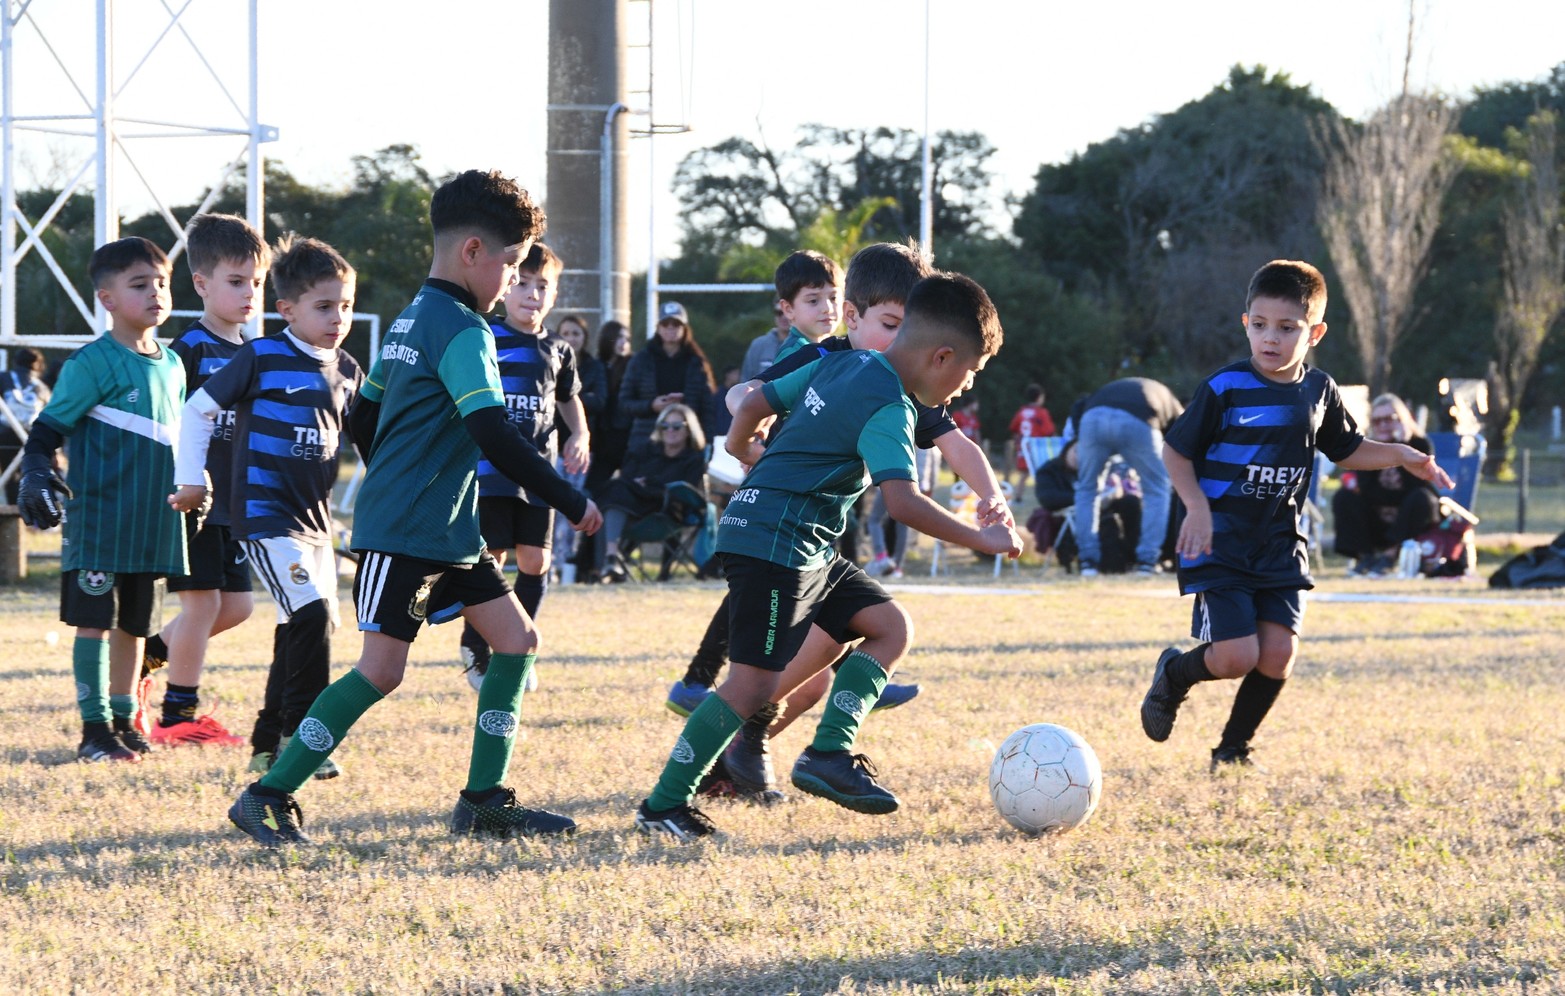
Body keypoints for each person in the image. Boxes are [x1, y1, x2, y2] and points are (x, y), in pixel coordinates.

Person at [225, 169, 602, 847]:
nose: (508, 280)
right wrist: (568, 498)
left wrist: (404, 471)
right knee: (381, 670)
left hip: (446, 529)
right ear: (472, 254)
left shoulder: (409, 317)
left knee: (516, 642)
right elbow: (493, 431)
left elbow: (363, 416)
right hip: (408, 531)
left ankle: (484, 800)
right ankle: (268, 793)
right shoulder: (462, 328)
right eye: (509, 265)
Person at [635, 272, 1021, 840]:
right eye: (971, 373)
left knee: (886, 626)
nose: (965, 387)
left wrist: (744, 451)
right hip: (774, 542)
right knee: (752, 686)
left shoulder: (840, 362)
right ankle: (662, 805)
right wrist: (981, 538)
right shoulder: (892, 407)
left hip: (797, 540)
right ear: (943, 357)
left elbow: (754, 403)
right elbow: (904, 503)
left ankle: (828, 756)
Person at [1142, 260, 1452, 771]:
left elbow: (1347, 448)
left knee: (1278, 655)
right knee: (1236, 658)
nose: (1271, 338)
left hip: (1281, 542)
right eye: (1260, 325)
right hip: (1220, 541)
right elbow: (1175, 452)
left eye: (1287, 328)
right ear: (1246, 323)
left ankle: (1232, 751)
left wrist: (1403, 454)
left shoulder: (1318, 391)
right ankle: (1175, 675)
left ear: (1315, 333)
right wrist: (1196, 508)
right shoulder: (1224, 388)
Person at [171, 234, 362, 779]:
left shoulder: (347, 370)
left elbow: (375, 442)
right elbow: (197, 411)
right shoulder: (261, 356)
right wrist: (191, 480)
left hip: (316, 527)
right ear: (287, 310)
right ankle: (307, 741)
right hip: (265, 518)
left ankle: (265, 743)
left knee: (306, 624)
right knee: (309, 615)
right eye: (324, 306)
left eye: (345, 305)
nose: (338, 317)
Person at [17, 237, 186, 762]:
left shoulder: (176, 364)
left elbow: (181, 442)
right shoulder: (92, 363)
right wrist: (37, 472)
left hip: (154, 523)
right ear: (107, 298)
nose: (155, 292)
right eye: (140, 284)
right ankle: (93, 732)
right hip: (100, 522)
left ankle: (121, 720)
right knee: (95, 624)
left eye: (161, 282)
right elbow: (45, 432)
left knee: (138, 627)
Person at [139, 213, 270, 748]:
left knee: (236, 607)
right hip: (192, 501)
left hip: (233, 506)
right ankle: (177, 716)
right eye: (236, 282)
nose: (249, 294)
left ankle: (144, 656)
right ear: (201, 283)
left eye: (257, 283)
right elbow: (168, 425)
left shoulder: (254, 351)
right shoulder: (186, 351)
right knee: (202, 605)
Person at [457, 243, 588, 692]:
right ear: (508, 286)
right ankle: (476, 644)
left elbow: (569, 400)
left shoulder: (559, 350)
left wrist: (581, 435)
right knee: (492, 560)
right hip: (490, 472)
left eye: (542, 286)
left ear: (554, 295)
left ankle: (517, 649)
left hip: (539, 477)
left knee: (536, 561)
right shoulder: (485, 337)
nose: (532, 294)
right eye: (523, 283)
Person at [1072, 376, 1184, 577]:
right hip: (1138, 420)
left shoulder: (1123, 386)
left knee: (1087, 489)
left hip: (1092, 418)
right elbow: (1183, 437)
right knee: (1157, 489)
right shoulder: (1171, 402)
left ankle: (1087, 561)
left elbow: (1080, 408)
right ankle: (1147, 561)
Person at [593, 403, 708, 583]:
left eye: (677, 426)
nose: (670, 430)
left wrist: (651, 484)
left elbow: (683, 491)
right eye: (665, 426)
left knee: (611, 497)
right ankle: (610, 559)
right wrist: (649, 485)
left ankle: (605, 564)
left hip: (665, 513)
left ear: (689, 430)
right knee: (613, 493)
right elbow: (628, 476)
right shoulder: (645, 450)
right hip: (633, 507)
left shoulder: (693, 459)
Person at [1331, 393, 1440, 575]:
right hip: (1378, 520)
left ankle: (1390, 556)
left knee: (1421, 498)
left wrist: (1402, 445)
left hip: (1411, 520)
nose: (1382, 425)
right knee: (1344, 496)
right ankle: (1365, 556)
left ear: (1403, 420)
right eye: (1377, 421)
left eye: (1389, 419)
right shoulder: (1367, 447)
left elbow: (1417, 486)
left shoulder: (1419, 445)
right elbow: (1366, 490)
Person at [552, 312, 604, 583]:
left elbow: (599, 401)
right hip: (551, 448)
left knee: (573, 508)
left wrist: (569, 398)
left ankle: (568, 567)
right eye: (566, 332)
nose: (570, 338)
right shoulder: (547, 358)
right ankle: (549, 567)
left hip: (580, 450)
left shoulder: (594, 367)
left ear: (585, 338)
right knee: (550, 510)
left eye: (576, 333)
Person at [618, 302, 716, 441]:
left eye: (676, 324)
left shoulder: (696, 363)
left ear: (684, 328)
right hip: (647, 438)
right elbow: (624, 402)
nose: (670, 328)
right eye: (665, 324)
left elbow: (708, 407)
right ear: (658, 328)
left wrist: (708, 440)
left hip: (687, 439)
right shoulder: (641, 360)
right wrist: (651, 405)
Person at [768, 249, 845, 367]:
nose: (827, 308)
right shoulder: (794, 355)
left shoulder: (838, 348)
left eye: (833, 298)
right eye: (813, 301)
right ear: (788, 309)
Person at [1, 347, 51, 504]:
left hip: (4, 433)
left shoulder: (4, 378)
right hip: (31, 436)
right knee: (28, 474)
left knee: (9, 476)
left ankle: (12, 509)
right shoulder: (42, 387)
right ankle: (24, 512)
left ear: (16, 361)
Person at [1005, 384, 1055, 492]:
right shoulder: (1041, 413)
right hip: (1036, 447)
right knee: (1042, 473)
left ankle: (1017, 498)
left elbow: (1014, 429)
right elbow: (1049, 431)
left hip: (1023, 446)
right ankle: (1042, 496)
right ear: (1040, 397)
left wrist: (1016, 444)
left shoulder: (1021, 412)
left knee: (1024, 474)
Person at [739, 302, 795, 381]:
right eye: (779, 313)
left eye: (787, 312)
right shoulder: (758, 345)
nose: (784, 317)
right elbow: (746, 379)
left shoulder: (806, 345)